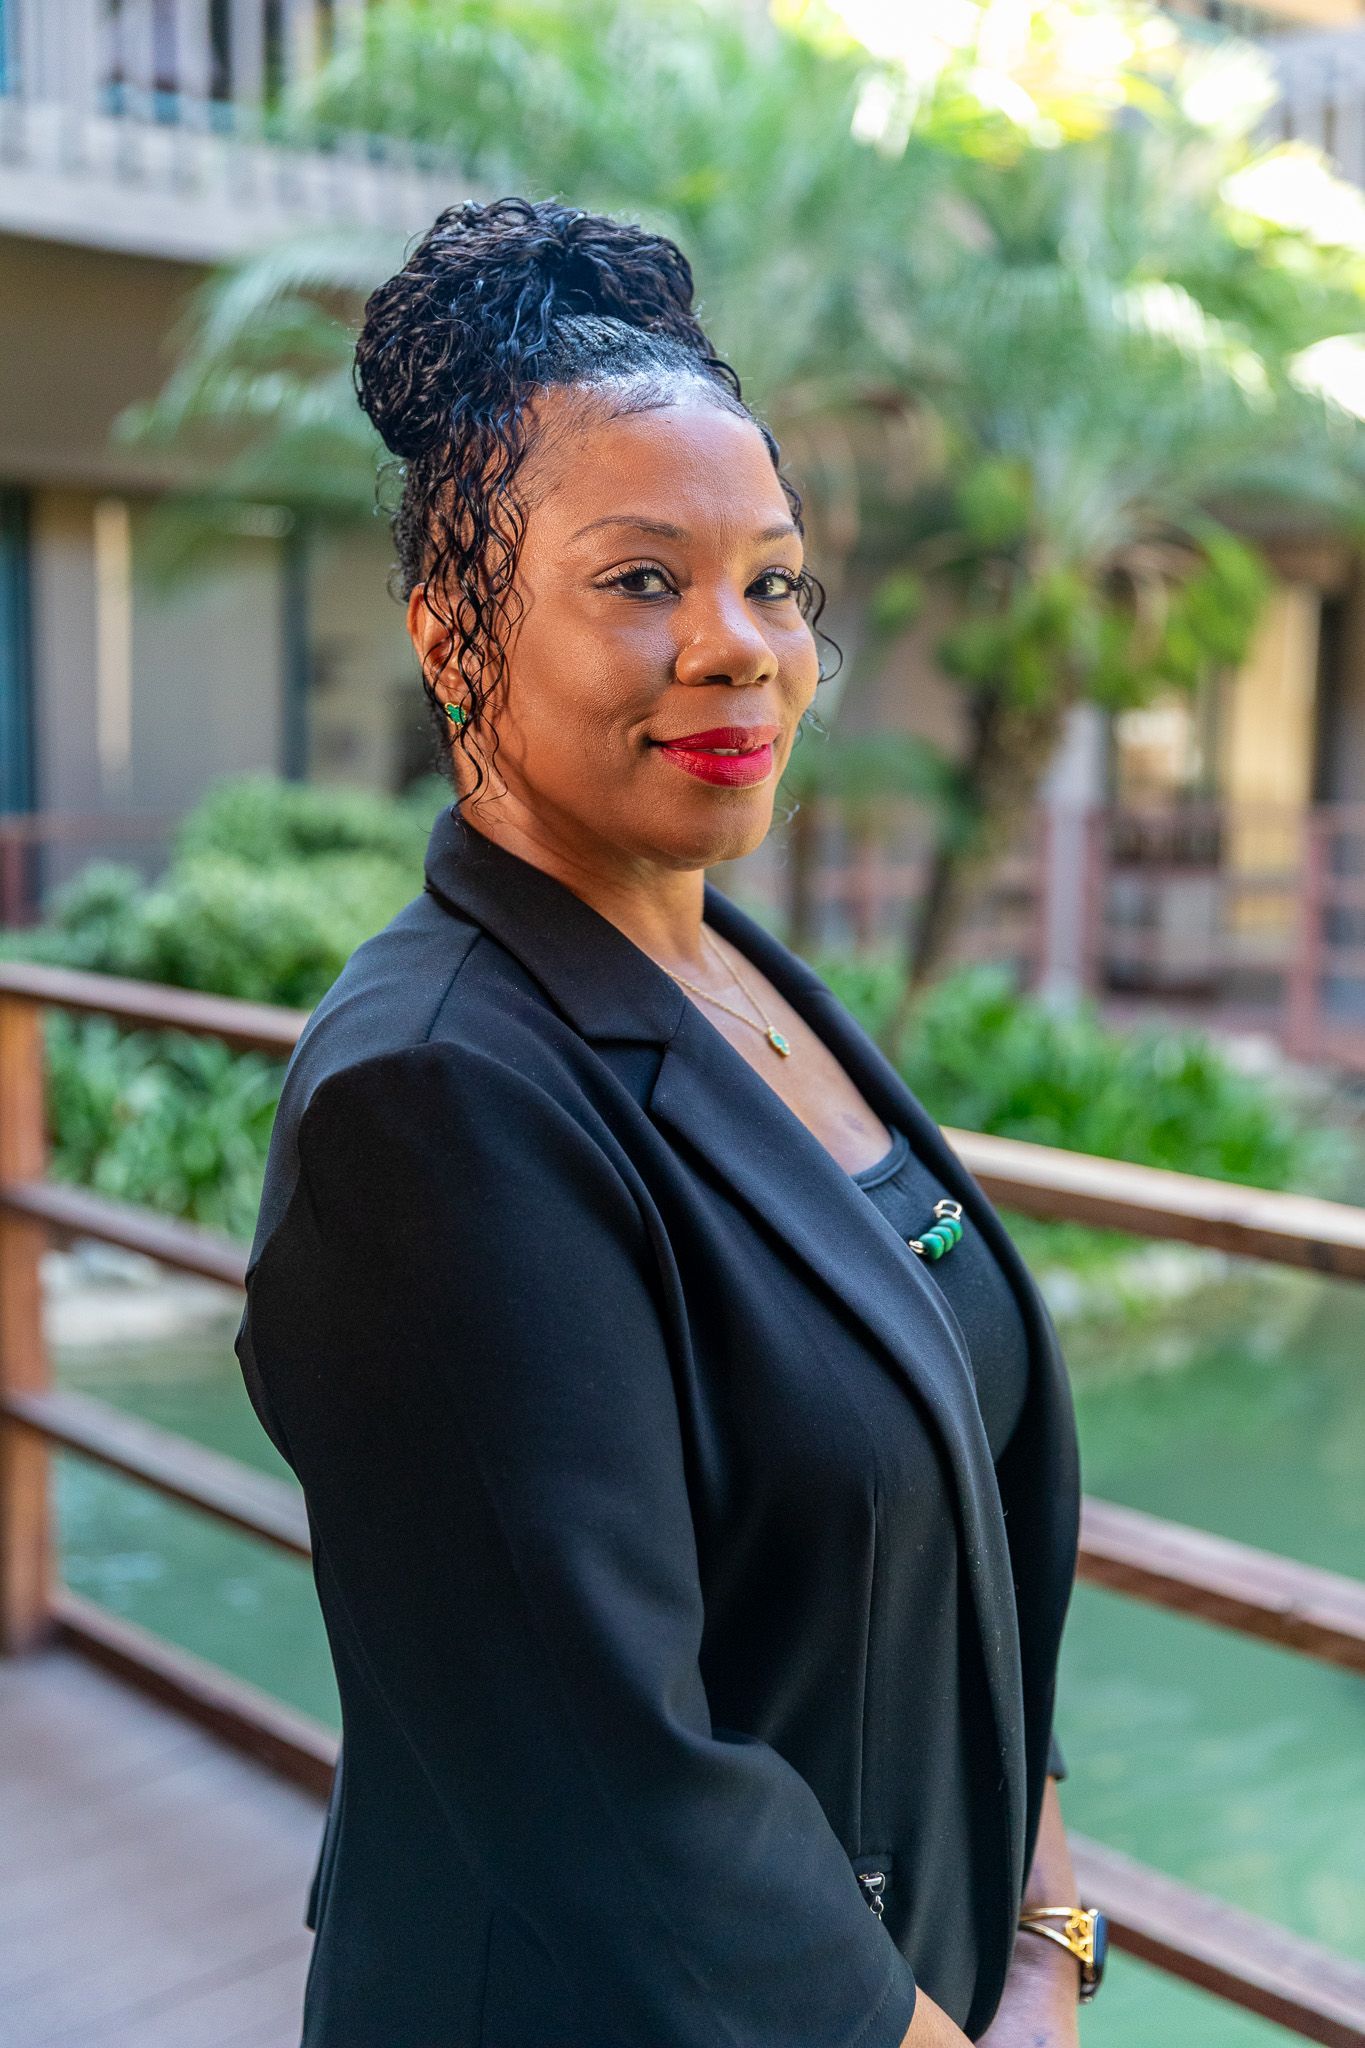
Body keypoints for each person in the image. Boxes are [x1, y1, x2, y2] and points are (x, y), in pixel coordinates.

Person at [236, 195, 1096, 2048]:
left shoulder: (743, 979)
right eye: (640, 582)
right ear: (453, 637)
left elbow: (965, 1548)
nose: (738, 647)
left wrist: (1049, 1943)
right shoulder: (433, 1101)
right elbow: (620, 1796)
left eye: (772, 583)